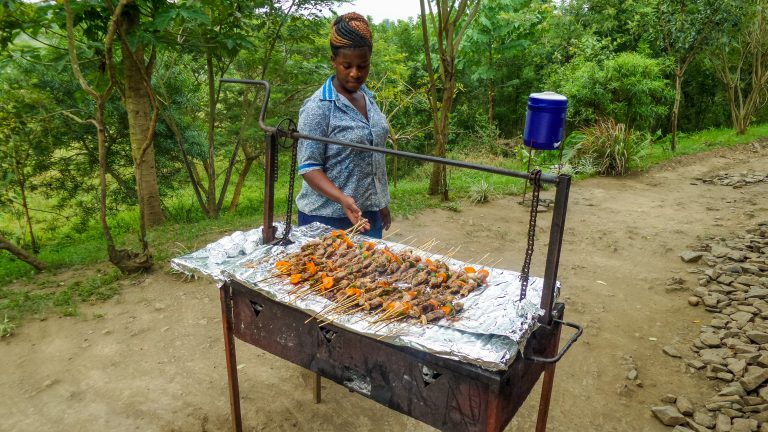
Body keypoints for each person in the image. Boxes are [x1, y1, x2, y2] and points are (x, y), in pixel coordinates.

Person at [295, 12, 391, 239]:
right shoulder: (319, 106)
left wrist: (380, 202)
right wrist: (342, 199)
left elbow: (374, 157)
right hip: (326, 219)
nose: (355, 73)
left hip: (368, 216)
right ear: (333, 61)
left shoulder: (369, 98)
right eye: (347, 65)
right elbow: (309, 167)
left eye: (363, 66)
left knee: (370, 273)